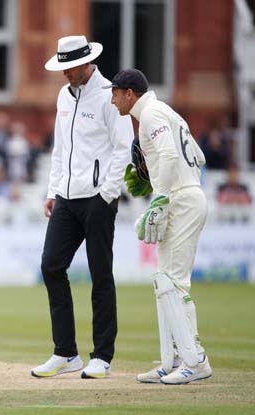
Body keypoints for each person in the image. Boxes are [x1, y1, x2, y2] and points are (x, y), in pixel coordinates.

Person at [31, 36, 133, 379]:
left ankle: (102, 356)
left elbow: (124, 147)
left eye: (67, 68)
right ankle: (66, 353)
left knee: (100, 274)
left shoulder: (109, 95)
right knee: (51, 266)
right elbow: (60, 150)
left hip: (97, 199)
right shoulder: (64, 95)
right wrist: (52, 190)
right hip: (66, 197)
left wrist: (107, 193)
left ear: (84, 63)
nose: (63, 74)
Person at [106, 68, 213, 384]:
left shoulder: (151, 114)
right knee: (165, 282)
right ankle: (173, 359)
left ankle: (195, 361)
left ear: (129, 93)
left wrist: (160, 197)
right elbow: (199, 156)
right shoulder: (165, 111)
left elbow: (167, 154)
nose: (112, 101)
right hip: (184, 194)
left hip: (182, 199)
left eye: (115, 94)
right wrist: (151, 181)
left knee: (174, 282)